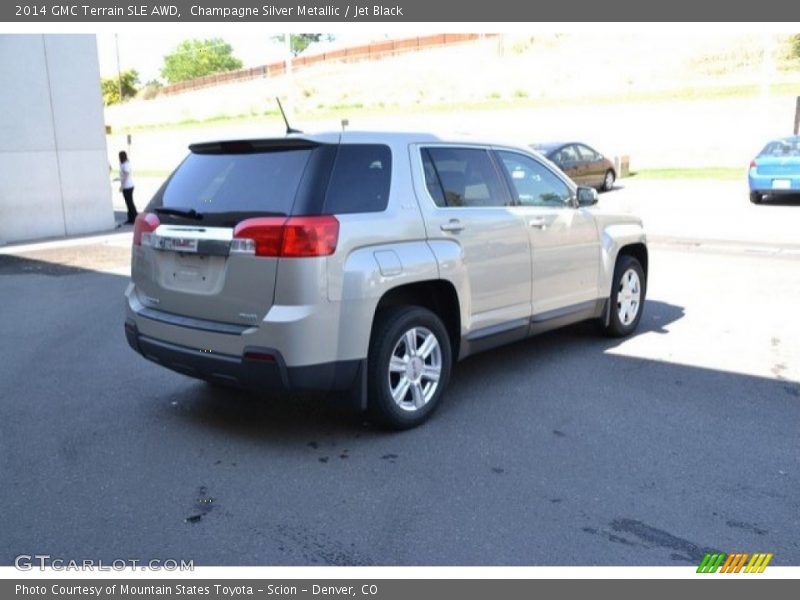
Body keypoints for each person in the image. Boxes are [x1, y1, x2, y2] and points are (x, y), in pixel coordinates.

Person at [119, 150, 138, 224]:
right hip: (127, 186)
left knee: (130, 203)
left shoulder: (126, 164)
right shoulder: (124, 164)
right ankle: (130, 218)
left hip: (128, 186)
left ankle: (134, 218)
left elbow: (126, 175)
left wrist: (122, 186)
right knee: (128, 203)